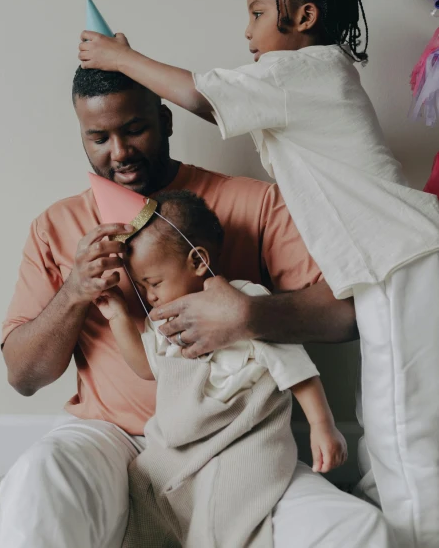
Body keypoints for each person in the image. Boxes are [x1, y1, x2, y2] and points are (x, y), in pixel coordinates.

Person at [79, 0, 439, 548]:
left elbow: (199, 93)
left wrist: (120, 58)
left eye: (256, 14)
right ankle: (394, 528)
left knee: (405, 424)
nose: (246, 31)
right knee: (387, 417)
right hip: (389, 262)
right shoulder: (304, 85)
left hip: (403, 258)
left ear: (303, 16)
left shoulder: (309, 71)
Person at [0, 66, 391, 548]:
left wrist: (248, 315)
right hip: (112, 437)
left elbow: (348, 315)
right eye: (98, 138)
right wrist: (75, 292)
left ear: (165, 119)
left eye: (134, 129)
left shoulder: (253, 202)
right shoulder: (55, 225)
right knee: (36, 482)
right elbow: (23, 376)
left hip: (237, 442)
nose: (118, 152)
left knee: (356, 530)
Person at [96, 188, 347, 547]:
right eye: (141, 287)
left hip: (245, 438)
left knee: (222, 511)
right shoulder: (164, 319)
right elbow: (149, 368)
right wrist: (119, 316)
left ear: (198, 261)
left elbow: (295, 367)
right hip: (184, 441)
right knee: (144, 484)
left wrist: (323, 426)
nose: (149, 296)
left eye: (153, 283)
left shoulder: (245, 302)